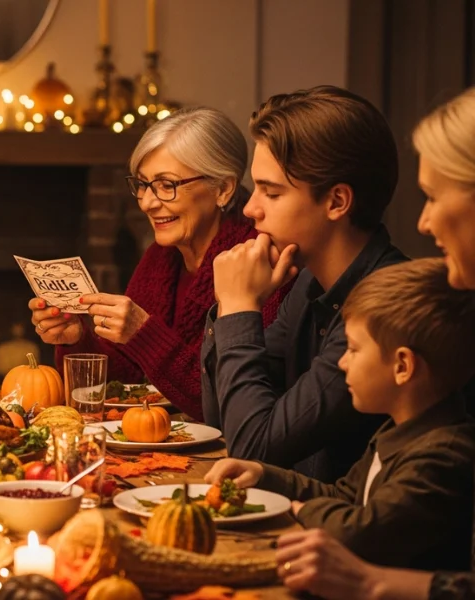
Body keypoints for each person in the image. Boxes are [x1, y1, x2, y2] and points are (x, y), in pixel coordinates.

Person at [271, 86, 475, 600]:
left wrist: (370, 582)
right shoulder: (305, 286)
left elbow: (260, 437)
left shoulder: (391, 297)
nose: (423, 221)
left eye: (433, 196)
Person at [207, 258, 475, 570]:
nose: (343, 362)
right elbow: (341, 495)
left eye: (353, 349)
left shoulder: (443, 454)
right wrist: (263, 475)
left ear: (402, 366)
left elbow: (364, 530)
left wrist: (295, 509)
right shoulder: (398, 430)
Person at [28, 107, 290, 419]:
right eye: (142, 184)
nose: (148, 203)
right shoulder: (160, 257)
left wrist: (143, 332)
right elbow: (128, 378)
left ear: (223, 189)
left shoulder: (258, 263)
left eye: (167, 185)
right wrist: (77, 340)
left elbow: (224, 402)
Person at [202, 86, 408, 482]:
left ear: (336, 202)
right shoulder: (310, 283)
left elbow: (254, 447)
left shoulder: (383, 306)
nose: (249, 208)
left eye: (271, 192)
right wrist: (229, 311)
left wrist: (239, 306)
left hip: (348, 538)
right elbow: (225, 421)